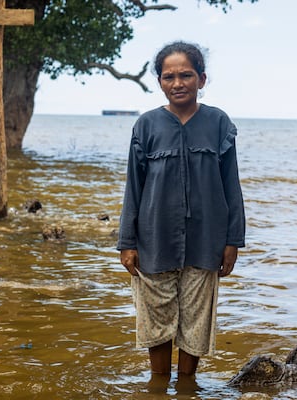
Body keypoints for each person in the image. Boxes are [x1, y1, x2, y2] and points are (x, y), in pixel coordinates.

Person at [117, 41, 245, 379]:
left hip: (207, 240)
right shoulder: (146, 125)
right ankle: (159, 384)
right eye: (169, 76)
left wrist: (233, 240)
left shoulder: (219, 123)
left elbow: (231, 185)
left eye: (186, 75)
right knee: (155, 321)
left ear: (202, 79)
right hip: (154, 240)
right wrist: (126, 242)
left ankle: (187, 385)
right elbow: (134, 186)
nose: (178, 83)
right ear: (159, 81)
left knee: (196, 321)